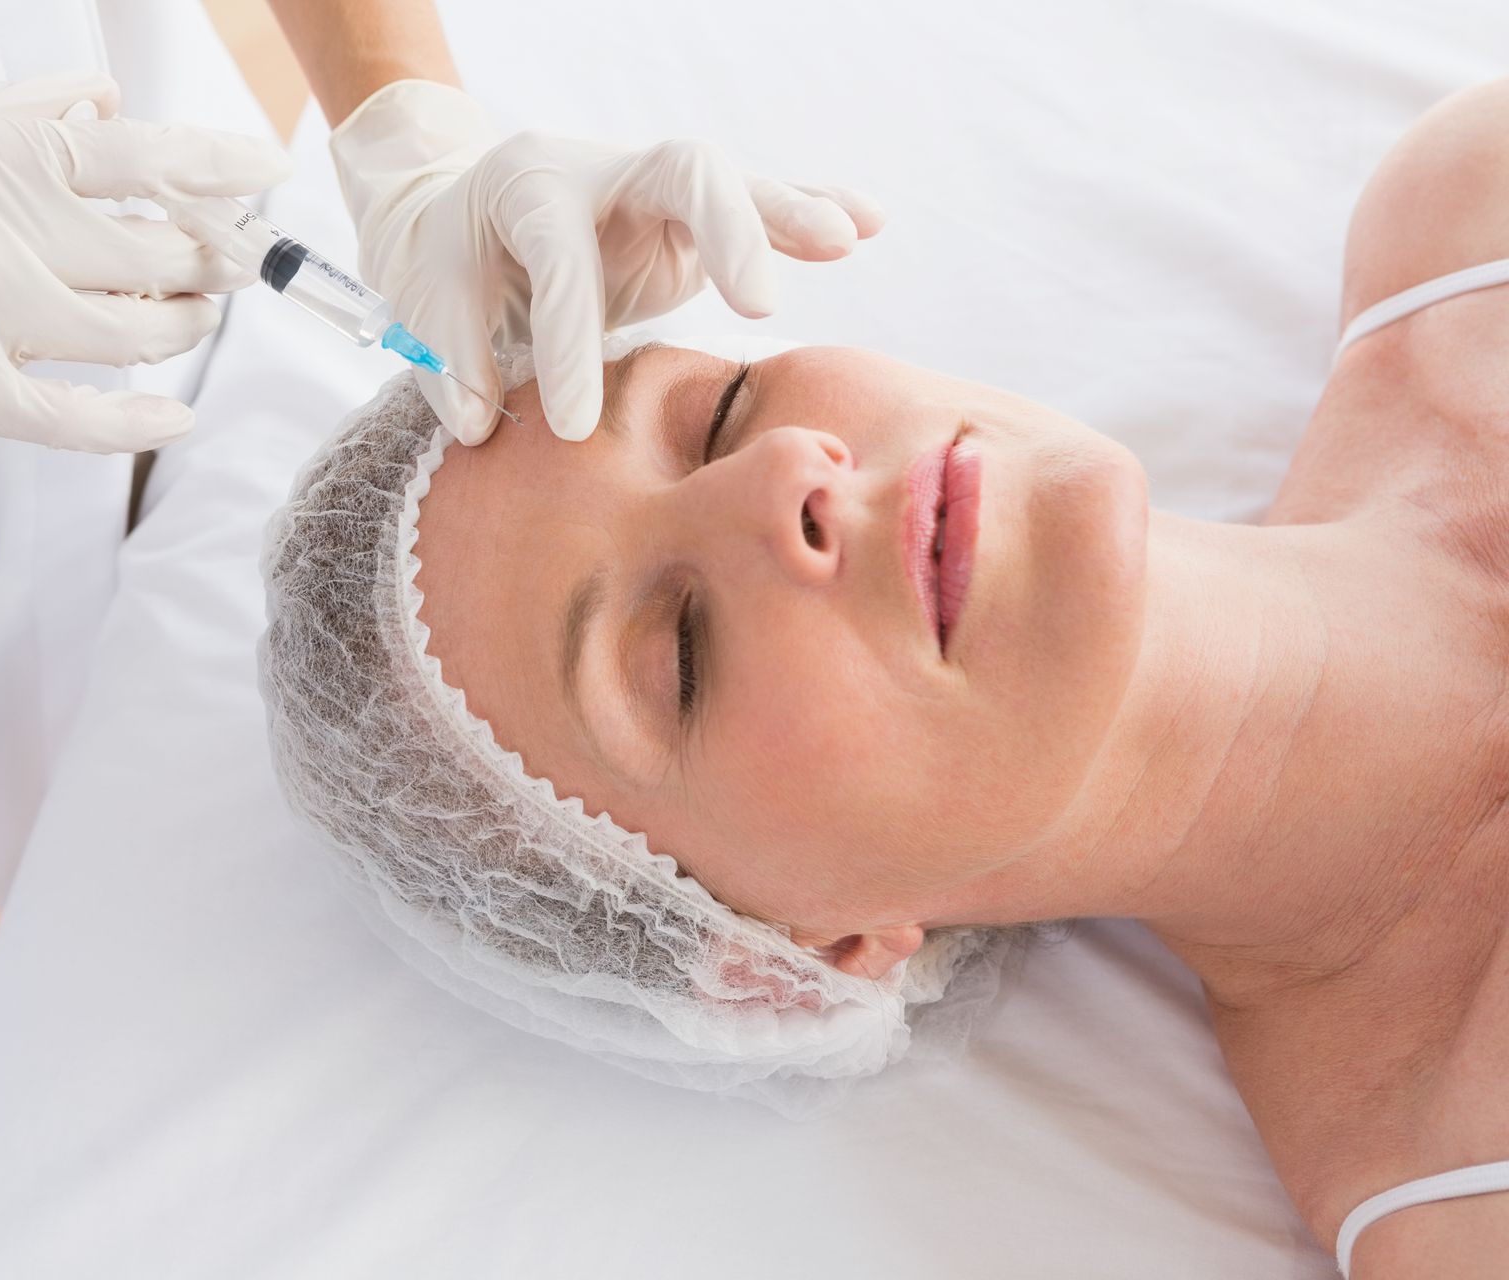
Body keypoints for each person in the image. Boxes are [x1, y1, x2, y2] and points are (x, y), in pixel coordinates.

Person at [0, 3, 876, 1275]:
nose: (794, 478)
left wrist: (397, 109)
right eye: (721, 421)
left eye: (716, 405)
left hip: (157, 273)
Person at [259, 76, 1509, 1278]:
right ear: (796, 952)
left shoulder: (1470, 208)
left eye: (723, 412)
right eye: (681, 654)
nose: (786, 471)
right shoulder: (1472, 1207)